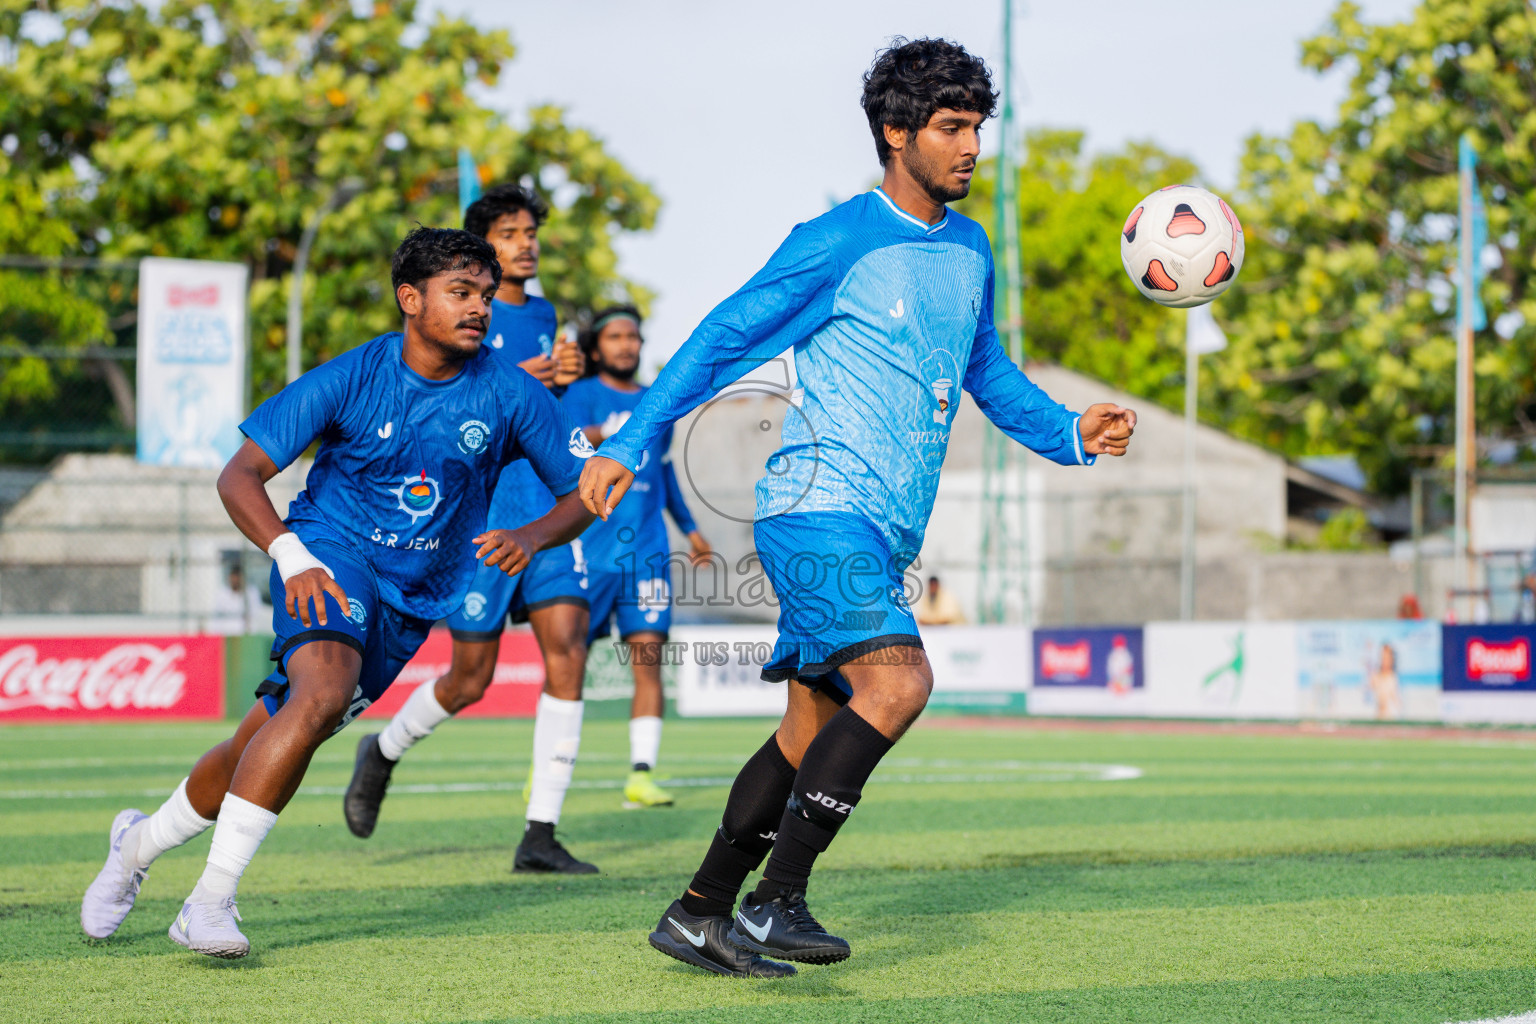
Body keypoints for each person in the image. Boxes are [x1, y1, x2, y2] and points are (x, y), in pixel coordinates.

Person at [579, 37, 1136, 978]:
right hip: (813, 507)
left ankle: (698, 911)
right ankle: (776, 903)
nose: (969, 148)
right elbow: (721, 338)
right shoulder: (837, 241)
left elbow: (985, 373)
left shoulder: (969, 247)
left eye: (976, 129)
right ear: (895, 132)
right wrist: (633, 442)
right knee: (897, 685)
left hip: (882, 532)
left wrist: (1073, 430)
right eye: (950, 128)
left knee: (807, 732)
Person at [79, 227, 594, 959]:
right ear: (409, 300)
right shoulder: (352, 375)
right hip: (326, 554)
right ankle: (209, 903)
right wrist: (293, 557)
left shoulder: (511, 393)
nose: (480, 307)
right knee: (320, 696)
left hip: (412, 601)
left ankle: (134, 848)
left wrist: (537, 534)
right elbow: (239, 475)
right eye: (461, 292)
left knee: (270, 735)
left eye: (484, 294)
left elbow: (583, 491)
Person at [342, 184, 604, 875]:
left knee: (569, 650)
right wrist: (529, 374)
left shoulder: (546, 313)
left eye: (531, 232)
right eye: (512, 233)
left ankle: (540, 832)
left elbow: (543, 420)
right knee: (469, 678)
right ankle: (383, 750)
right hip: (480, 518)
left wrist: (570, 379)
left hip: (542, 514)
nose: (527, 243)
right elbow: (454, 389)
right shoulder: (460, 317)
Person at [562, 305, 712, 808]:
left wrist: (691, 530)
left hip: (646, 558)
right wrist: (602, 436)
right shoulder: (577, 394)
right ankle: (550, 766)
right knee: (568, 666)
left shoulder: (656, 402)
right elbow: (557, 456)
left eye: (634, 337)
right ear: (596, 346)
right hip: (588, 553)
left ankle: (641, 774)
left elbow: (664, 473)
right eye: (616, 336)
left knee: (648, 662)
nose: (627, 345)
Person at [209, 561, 268, 635]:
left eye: (237, 577)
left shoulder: (251, 592)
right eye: (233, 577)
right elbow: (216, 617)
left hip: (245, 633)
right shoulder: (222, 594)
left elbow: (255, 614)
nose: (235, 580)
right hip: (226, 633)